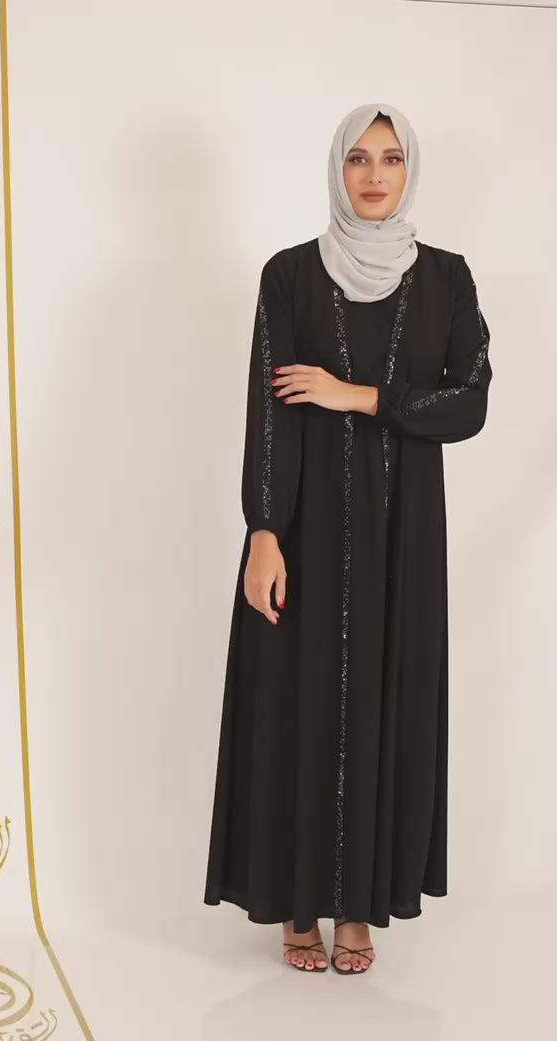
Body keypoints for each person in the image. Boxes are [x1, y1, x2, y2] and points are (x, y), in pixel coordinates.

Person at [204, 103, 492, 975]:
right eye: (359, 158)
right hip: (306, 523)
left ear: (411, 172)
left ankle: (359, 909)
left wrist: (355, 394)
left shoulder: (447, 279)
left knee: (382, 700)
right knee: (297, 701)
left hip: (405, 535)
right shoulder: (290, 275)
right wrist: (263, 530)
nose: (374, 175)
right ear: (338, 169)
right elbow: (268, 411)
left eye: (391, 158)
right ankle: (298, 905)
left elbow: (469, 402)